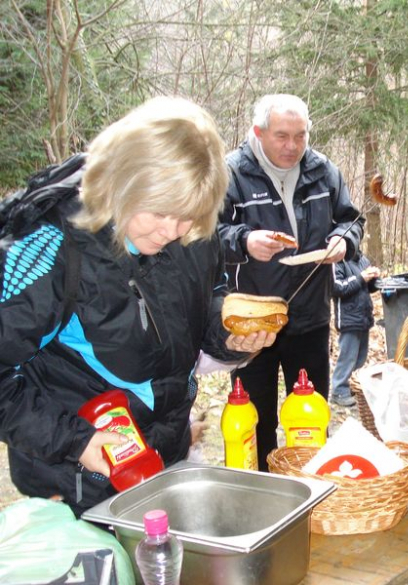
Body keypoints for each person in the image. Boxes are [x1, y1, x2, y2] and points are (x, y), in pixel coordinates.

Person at [0, 97, 275, 516]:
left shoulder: (193, 228)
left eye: (189, 216)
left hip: (165, 460)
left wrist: (232, 337)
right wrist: (76, 441)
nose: (173, 230)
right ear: (125, 183)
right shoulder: (53, 244)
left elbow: (205, 302)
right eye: (161, 213)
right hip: (77, 481)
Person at [218, 94, 364, 470]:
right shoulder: (231, 173)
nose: (293, 146)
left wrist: (342, 242)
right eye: (282, 136)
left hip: (310, 317)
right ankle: (265, 494)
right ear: (258, 132)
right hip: (254, 322)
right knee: (258, 421)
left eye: (300, 136)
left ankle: (313, 489)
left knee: (311, 417)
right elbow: (206, 235)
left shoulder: (323, 171)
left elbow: (352, 220)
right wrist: (245, 241)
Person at [330, 249, 380, 407]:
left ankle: (349, 384)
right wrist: (361, 277)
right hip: (348, 318)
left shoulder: (361, 259)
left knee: (360, 357)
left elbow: (369, 287)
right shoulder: (338, 261)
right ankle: (339, 390)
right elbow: (337, 288)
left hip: (363, 316)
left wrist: (374, 278)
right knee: (348, 356)